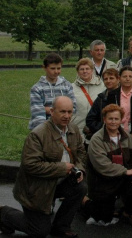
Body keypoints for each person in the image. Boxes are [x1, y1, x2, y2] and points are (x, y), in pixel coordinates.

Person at [0, 96, 86, 238]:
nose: (67, 116)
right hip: (36, 189)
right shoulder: (38, 134)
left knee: (80, 187)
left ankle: (61, 227)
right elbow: (30, 165)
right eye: (62, 112)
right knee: (39, 231)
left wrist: (79, 169)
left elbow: (81, 153)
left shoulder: (73, 129)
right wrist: (61, 168)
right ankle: (5, 213)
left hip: (59, 181)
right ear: (52, 111)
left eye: (70, 112)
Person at [86, 104, 132, 226]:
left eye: (116, 119)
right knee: (103, 219)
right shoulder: (96, 139)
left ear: (121, 120)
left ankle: (128, 212)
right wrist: (125, 171)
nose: (113, 122)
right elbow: (102, 165)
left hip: (122, 178)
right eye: (110, 118)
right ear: (104, 119)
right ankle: (85, 203)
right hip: (102, 180)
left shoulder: (127, 136)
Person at [29, 53, 76, 130]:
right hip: (44, 129)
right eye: (53, 68)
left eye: (59, 68)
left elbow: (73, 107)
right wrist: (44, 131)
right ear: (44, 68)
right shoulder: (37, 88)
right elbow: (37, 113)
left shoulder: (67, 85)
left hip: (64, 128)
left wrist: (47, 109)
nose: (56, 71)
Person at [71, 58, 105, 135]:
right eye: (81, 69)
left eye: (87, 69)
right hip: (78, 127)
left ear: (92, 70)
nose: (85, 71)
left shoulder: (102, 86)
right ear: (78, 72)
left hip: (97, 128)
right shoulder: (71, 88)